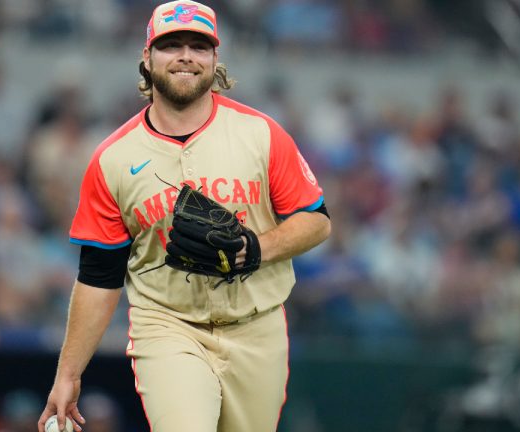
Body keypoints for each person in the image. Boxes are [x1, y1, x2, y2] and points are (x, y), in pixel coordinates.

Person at [37, 1, 332, 431]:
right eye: (171, 45)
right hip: (168, 324)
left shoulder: (261, 134)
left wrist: (256, 248)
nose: (186, 56)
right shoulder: (113, 159)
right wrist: (68, 374)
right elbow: (100, 274)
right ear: (147, 58)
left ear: (215, 59)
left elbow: (317, 220)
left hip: (258, 326)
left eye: (199, 46)